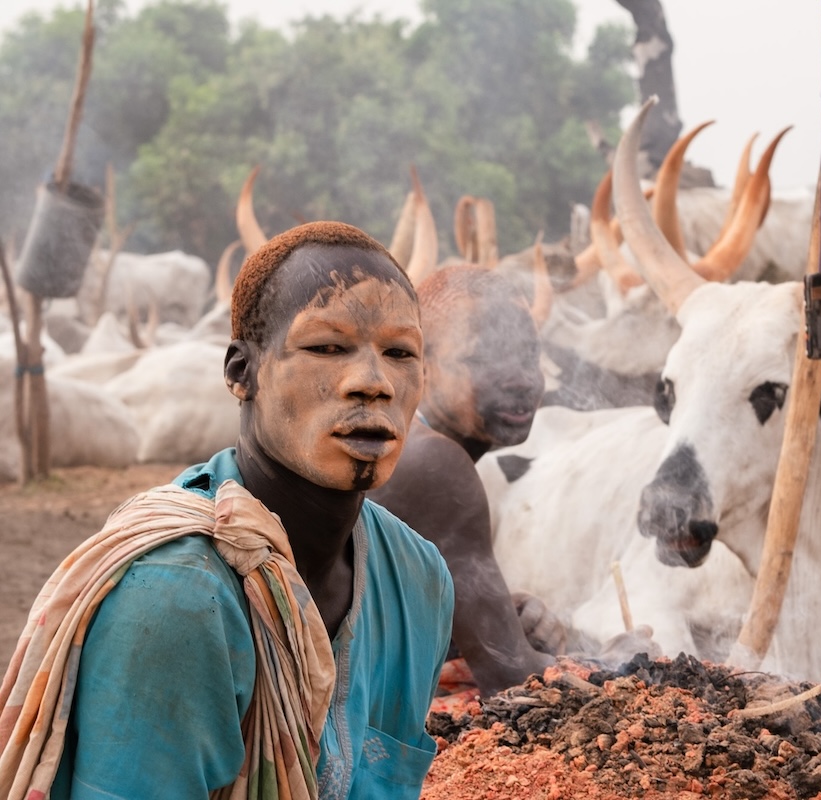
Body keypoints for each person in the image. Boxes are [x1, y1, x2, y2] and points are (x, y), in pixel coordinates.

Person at [0, 221, 454, 799]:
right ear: (242, 373)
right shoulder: (176, 597)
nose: (373, 382)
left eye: (400, 353)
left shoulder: (420, 579)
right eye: (326, 347)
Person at [369, 264, 656, 709]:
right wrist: (620, 660)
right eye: (482, 358)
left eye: (527, 354)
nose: (520, 378)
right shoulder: (432, 463)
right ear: (420, 365)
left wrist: (491, 620)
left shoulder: (406, 442)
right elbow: (510, 678)